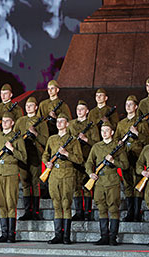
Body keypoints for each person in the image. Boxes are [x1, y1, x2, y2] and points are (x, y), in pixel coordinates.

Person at [0, 112, 26, 243]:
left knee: (10, 203)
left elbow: (24, 157)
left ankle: (11, 234)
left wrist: (12, 149)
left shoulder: (17, 138)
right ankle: (4, 233)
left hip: (11, 171)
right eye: (3, 121)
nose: (5, 123)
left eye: (7, 121)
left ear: (12, 122)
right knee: (1, 203)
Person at [86, 122, 129, 246]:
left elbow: (125, 165)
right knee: (101, 209)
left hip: (112, 181)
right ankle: (104, 236)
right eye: (102, 131)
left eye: (106, 130)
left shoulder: (117, 147)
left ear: (112, 132)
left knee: (114, 209)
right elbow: (89, 162)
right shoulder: (96, 146)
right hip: (99, 181)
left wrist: (113, 161)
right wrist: (90, 173)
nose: (104, 133)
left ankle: (112, 237)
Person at [43, 113, 83, 245]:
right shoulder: (51, 139)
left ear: (67, 124)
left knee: (66, 204)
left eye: (62, 121)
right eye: (58, 121)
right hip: (54, 174)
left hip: (67, 174)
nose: (59, 123)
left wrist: (67, 154)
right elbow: (45, 155)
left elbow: (79, 159)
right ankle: (57, 235)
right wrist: (47, 162)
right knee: (56, 204)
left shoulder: (73, 140)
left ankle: (66, 236)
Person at [114, 95, 149, 222]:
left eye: (130, 104)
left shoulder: (142, 122)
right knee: (127, 184)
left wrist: (137, 134)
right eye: (126, 104)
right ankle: (130, 212)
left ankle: (137, 212)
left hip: (138, 156)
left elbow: (148, 140)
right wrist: (118, 143)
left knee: (137, 184)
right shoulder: (121, 123)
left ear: (136, 107)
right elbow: (116, 140)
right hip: (125, 156)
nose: (128, 107)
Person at [13, 96, 49, 221]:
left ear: (36, 107)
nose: (28, 107)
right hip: (23, 157)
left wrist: (35, 134)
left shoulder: (41, 122)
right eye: (27, 105)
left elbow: (46, 140)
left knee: (35, 183)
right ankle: (27, 211)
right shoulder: (20, 121)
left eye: (31, 105)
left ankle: (35, 211)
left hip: (35, 155)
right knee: (25, 184)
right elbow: (14, 138)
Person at [68, 100, 99, 221]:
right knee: (76, 187)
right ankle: (79, 211)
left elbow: (96, 143)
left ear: (87, 111)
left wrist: (86, 140)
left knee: (87, 187)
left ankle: (87, 212)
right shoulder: (71, 125)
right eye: (78, 109)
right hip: (75, 159)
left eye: (82, 109)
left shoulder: (92, 125)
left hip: (87, 158)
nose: (79, 111)